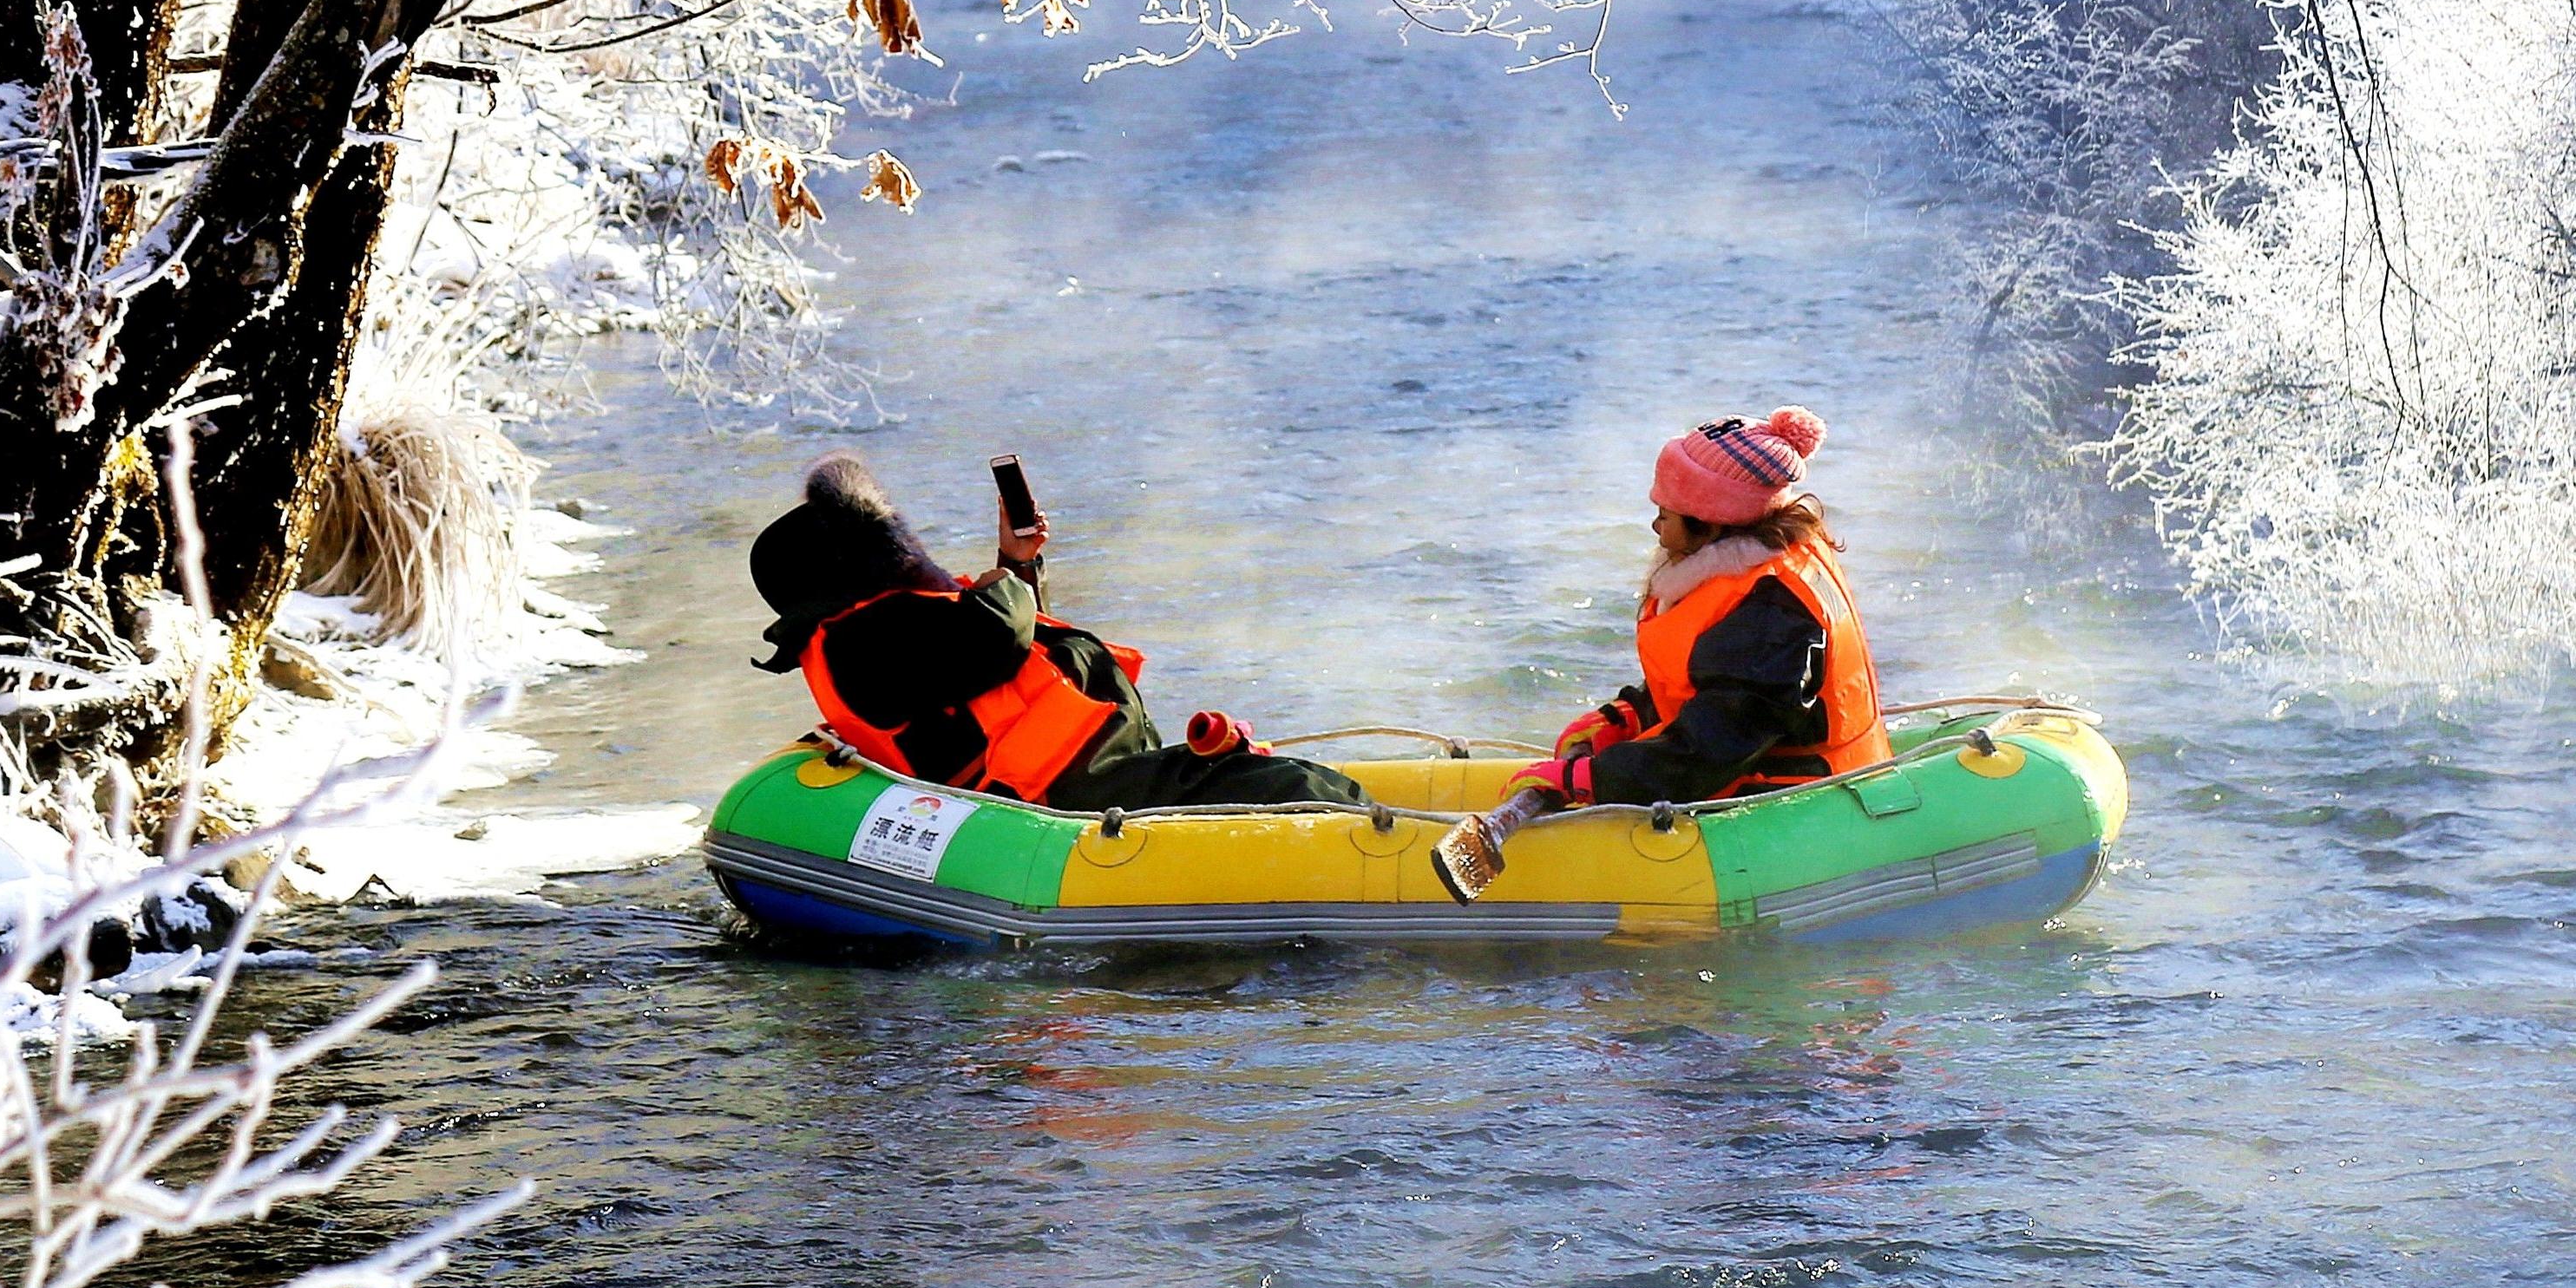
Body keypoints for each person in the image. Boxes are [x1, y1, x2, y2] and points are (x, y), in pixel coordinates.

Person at [1435, 406, 1884, 895]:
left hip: (1798, 800)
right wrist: (1627, 715)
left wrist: (1589, 780)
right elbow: (1710, 681)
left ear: (1712, 522)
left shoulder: (1771, 610)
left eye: (1665, 516)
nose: (1656, 528)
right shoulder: (1751, 572)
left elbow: (1711, 750)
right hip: (1751, 767)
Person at [749, 456, 1361, 811]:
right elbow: (993, 637)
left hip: (1087, 770)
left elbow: (999, 662)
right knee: (1292, 786)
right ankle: (1419, 860)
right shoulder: (865, 641)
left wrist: (1014, 562)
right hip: (1064, 791)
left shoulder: (883, 626)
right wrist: (1000, 585)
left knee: (1260, 775)